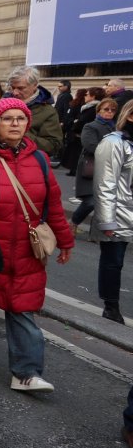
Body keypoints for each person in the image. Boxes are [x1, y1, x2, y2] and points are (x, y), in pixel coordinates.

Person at [0, 98, 73, 393]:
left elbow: (53, 206)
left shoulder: (40, 160)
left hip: (25, 251)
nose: (16, 124)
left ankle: (26, 373)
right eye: (8, 119)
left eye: (21, 118)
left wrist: (65, 240)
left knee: (22, 309)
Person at [93, 101, 133, 325]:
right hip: (118, 211)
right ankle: (111, 307)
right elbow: (105, 184)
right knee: (113, 261)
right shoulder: (114, 143)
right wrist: (107, 221)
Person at [72, 98, 117, 242]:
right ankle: (73, 222)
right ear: (99, 111)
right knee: (90, 201)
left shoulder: (117, 128)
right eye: (106, 109)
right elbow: (91, 146)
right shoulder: (91, 126)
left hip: (110, 171)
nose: (109, 112)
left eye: (112, 110)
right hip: (91, 167)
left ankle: (96, 235)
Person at [5, 66, 63, 157]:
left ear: (35, 85)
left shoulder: (47, 111)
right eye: (12, 87)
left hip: (28, 163)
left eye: (21, 88)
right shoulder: (2, 104)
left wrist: (21, 134)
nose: (15, 92)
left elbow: (53, 146)